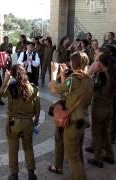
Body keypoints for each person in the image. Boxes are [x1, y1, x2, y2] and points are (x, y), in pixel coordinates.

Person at [49, 51, 93, 180]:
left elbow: (54, 89)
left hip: (72, 123)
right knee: (77, 153)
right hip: (82, 119)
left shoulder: (73, 80)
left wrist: (54, 72)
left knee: (72, 158)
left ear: (73, 63)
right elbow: (70, 93)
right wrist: (63, 74)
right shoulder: (89, 79)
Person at [1, 64, 40, 180]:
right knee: (28, 148)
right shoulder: (33, 88)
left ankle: (14, 174)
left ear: (13, 74)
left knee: (13, 149)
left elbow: (1, 94)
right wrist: (36, 119)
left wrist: (6, 80)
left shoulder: (11, 87)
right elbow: (37, 106)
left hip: (13, 123)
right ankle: (31, 173)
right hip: (28, 123)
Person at [86, 50, 116, 168]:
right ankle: (110, 156)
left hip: (100, 108)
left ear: (101, 63)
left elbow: (91, 88)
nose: (96, 62)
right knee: (105, 133)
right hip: (108, 107)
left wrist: (91, 72)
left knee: (97, 134)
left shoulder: (102, 75)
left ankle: (98, 158)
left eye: (98, 60)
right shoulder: (112, 73)